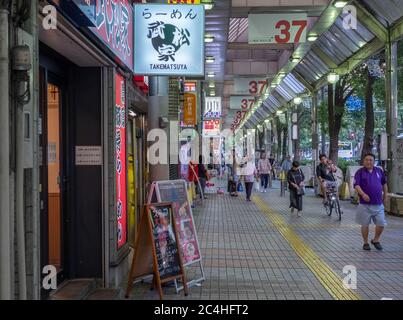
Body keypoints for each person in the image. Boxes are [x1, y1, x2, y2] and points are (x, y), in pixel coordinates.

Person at [354, 153, 388, 251]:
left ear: (374, 161)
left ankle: (376, 240)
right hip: (364, 205)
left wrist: (385, 195)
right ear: (364, 161)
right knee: (365, 224)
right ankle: (365, 242)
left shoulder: (379, 171)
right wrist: (363, 194)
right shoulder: (359, 172)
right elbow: (356, 185)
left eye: (371, 160)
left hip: (378, 203)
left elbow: (384, 184)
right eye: (367, 160)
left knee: (381, 223)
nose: (369, 162)